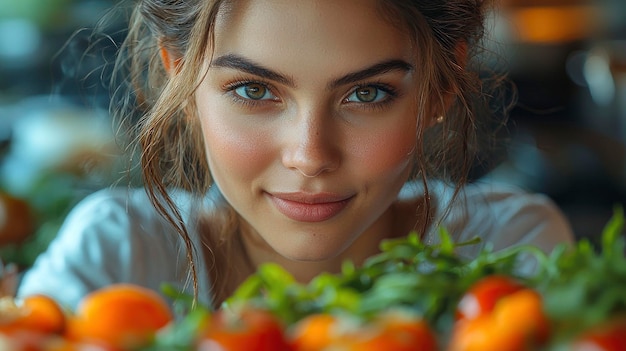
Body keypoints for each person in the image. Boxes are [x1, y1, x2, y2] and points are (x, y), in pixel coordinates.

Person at [17, 0, 574, 310]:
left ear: (440, 91)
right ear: (179, 80)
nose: (310, 156)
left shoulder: (508, 254)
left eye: (367, 93)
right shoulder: (117, 260)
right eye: (254, 91)